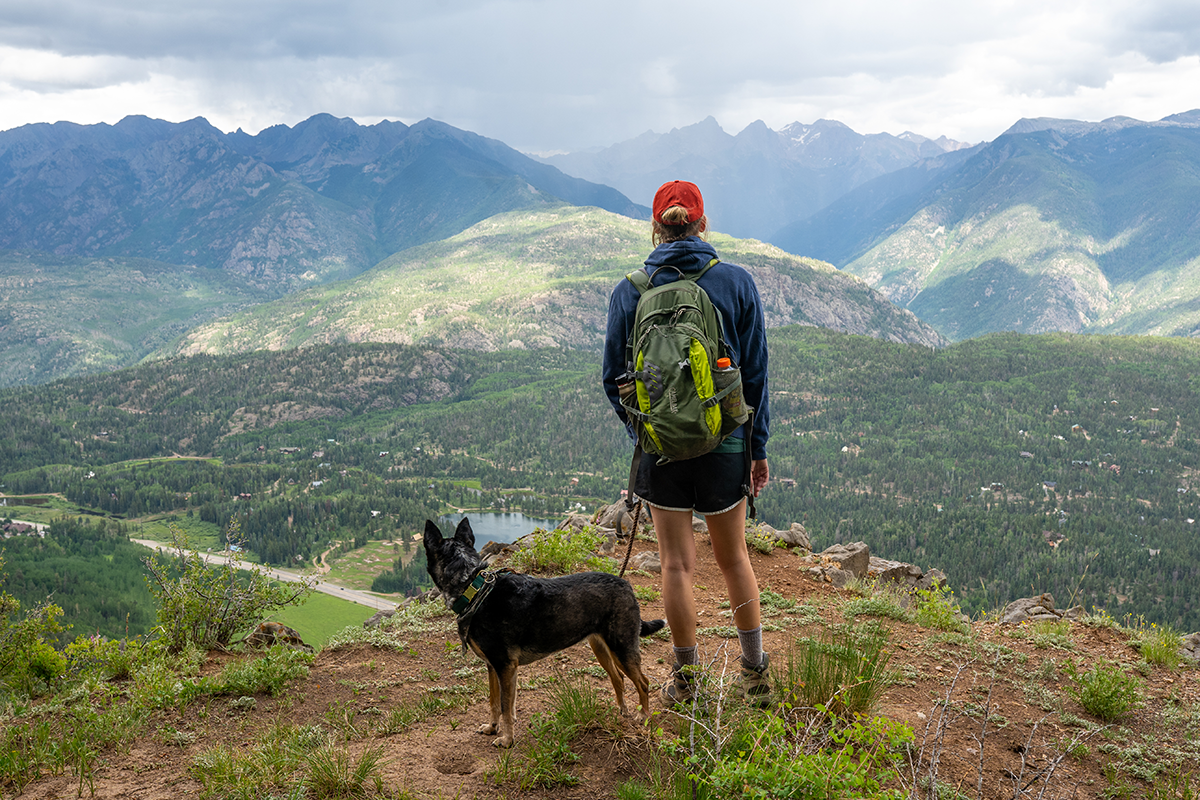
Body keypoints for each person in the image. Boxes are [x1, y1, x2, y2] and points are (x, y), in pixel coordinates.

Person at [602, 180, 772, 707]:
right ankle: (755, 676)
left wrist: (647, 432)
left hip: (662, 452)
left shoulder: (629, 290)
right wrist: (757, 448)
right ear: (702, 224)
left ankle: (688, 681)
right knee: (733, 557)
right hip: (725, 444)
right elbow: (757, 378)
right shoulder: (737, 282)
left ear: (656, 227)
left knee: (677, 564)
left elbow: (613, 380)